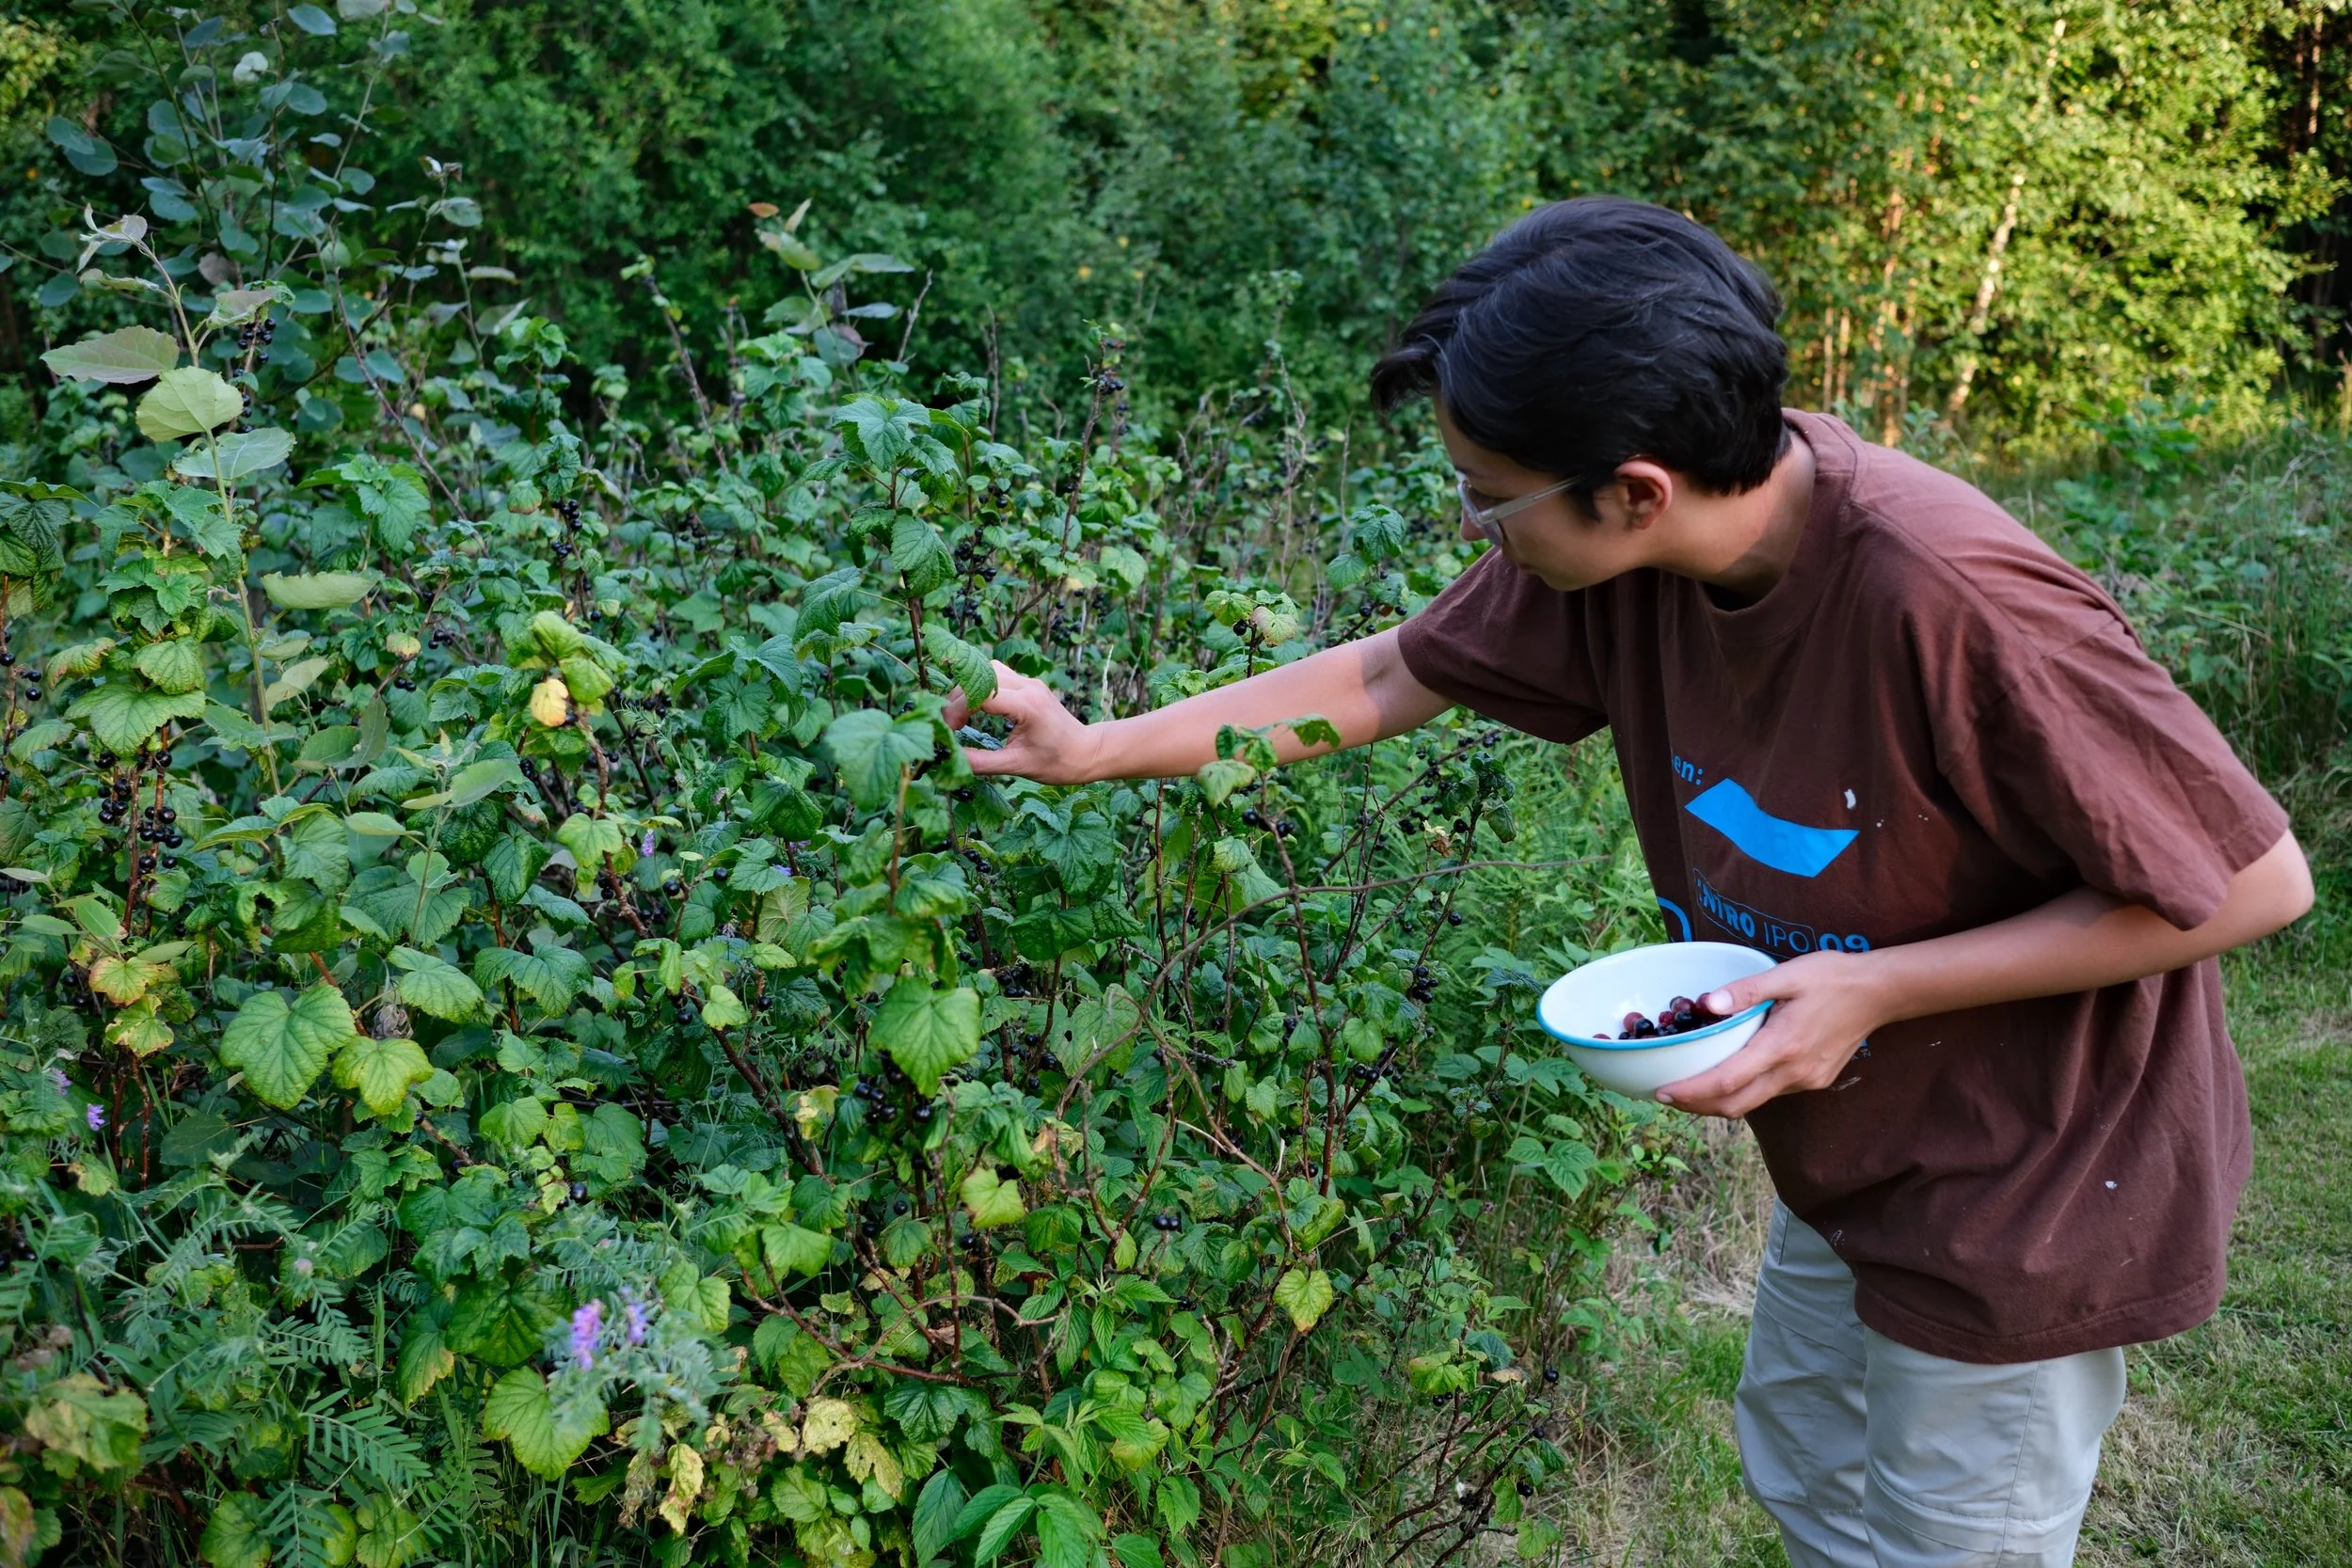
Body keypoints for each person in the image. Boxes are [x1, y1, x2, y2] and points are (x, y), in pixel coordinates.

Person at [941, 196, 2313, 1567]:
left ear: (1636, 486)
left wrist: (1880, 988)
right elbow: (1388, 672)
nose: (1477, 526)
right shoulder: (1619, 561)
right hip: (1862, 1145)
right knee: (1807, 1464)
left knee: (1956, 1542)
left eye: (1490, 493)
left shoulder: (1952, 597)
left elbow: (2256, 883)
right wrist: (1097, 749)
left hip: (2031, 1180)